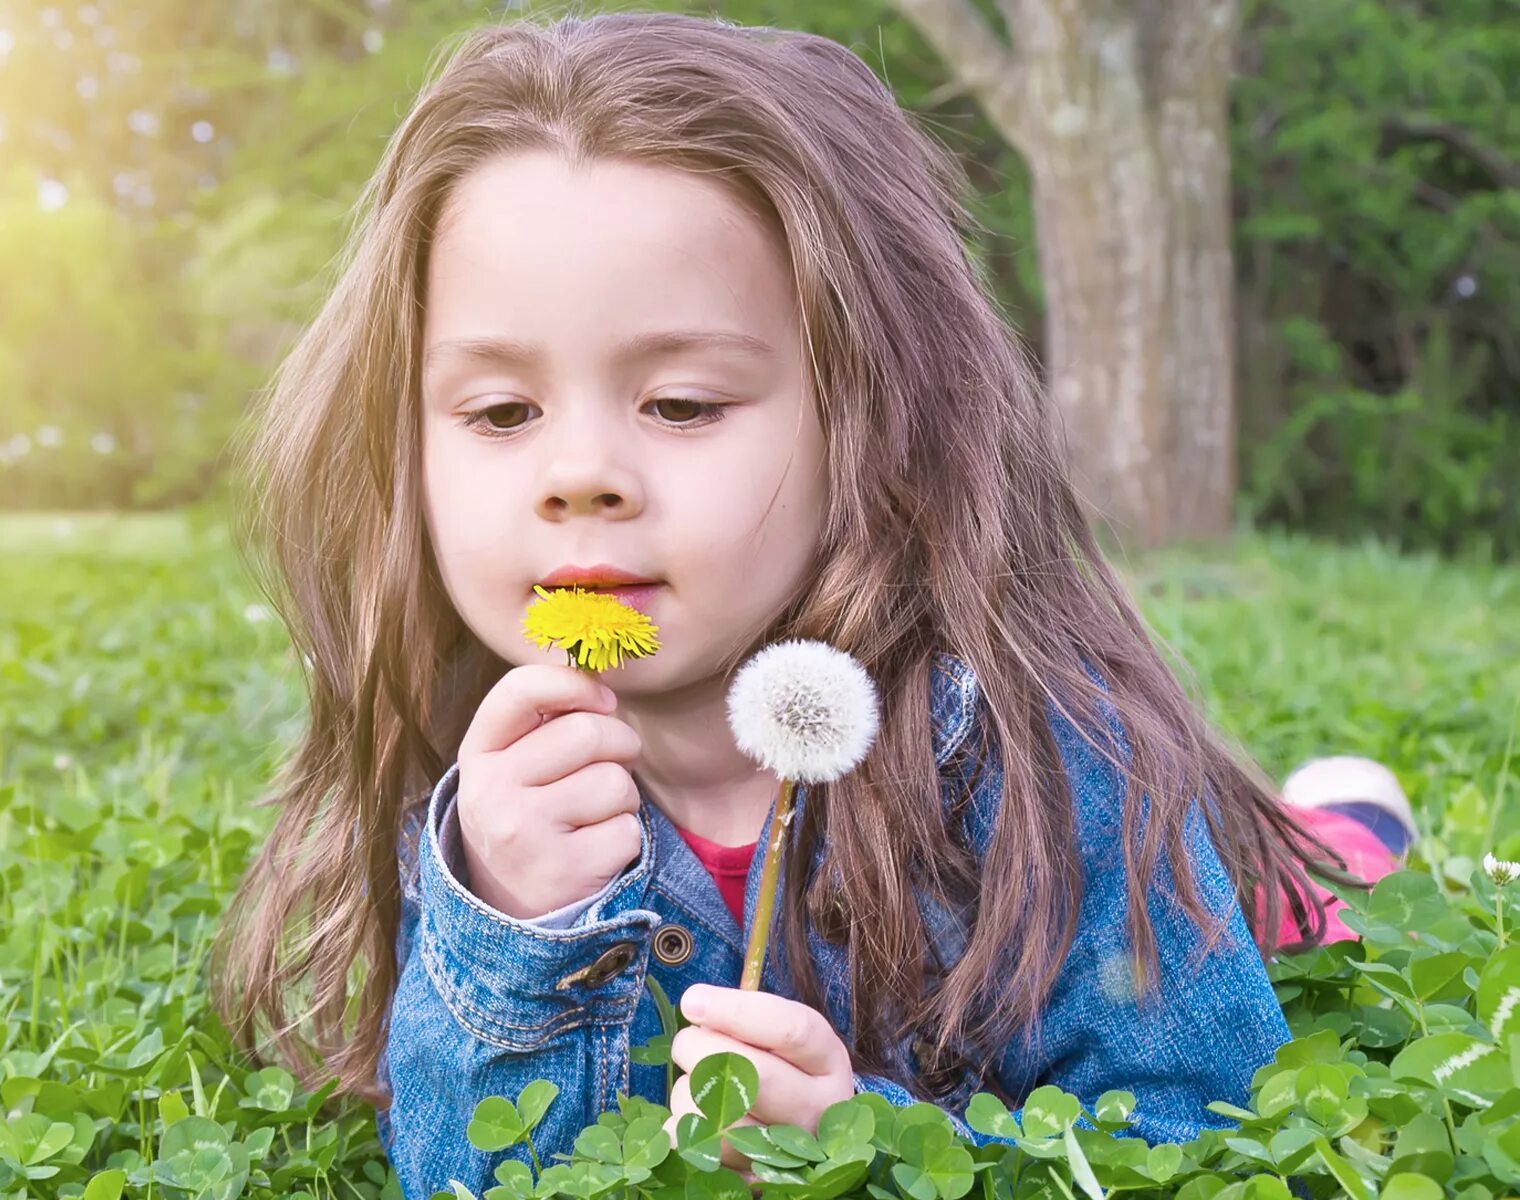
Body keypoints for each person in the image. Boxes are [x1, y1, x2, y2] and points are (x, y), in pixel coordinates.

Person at [206, 12, 1414, 1197]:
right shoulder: (479, 821)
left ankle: (1332, 832)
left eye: (680, 404)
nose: (579, 475)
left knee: (1300, 900)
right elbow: (472, 1179)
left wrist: (861, 1146)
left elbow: (1202, 1135)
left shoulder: (1036, 752)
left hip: (1154, 868)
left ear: (870, 421)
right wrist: (514, 936)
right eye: (501, 414)